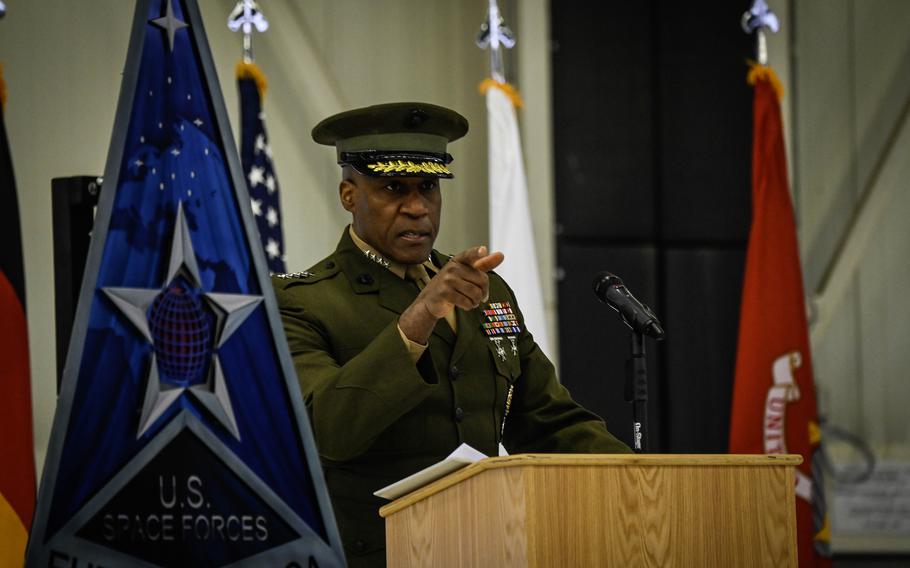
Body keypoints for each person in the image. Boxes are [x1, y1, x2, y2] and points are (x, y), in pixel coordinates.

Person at [272, 102, 631, 567]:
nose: (417, 207)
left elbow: (547, 421)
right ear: (348, 194)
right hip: (376, 554)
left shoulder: (485, 289)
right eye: (393, 189)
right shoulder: (304, 301)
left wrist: (638, 475)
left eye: (428, 187)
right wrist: (420, 315)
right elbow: (329, 430)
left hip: (483, 546)